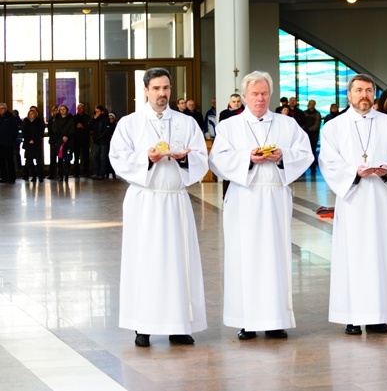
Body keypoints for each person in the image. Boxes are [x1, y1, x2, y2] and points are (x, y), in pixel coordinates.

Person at [108, 67, 209, 347]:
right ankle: (144, 326)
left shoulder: (186, 122)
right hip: (146, 200)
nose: (162, 94)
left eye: (166, 88)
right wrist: (148, 158)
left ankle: (179, 325)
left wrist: (184, 159)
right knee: (145, 262)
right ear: (146, 90)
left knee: (179, 261)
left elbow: (200, 156)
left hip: (175, 200)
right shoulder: (130, 123)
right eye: (156, 89)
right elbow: (118, 157)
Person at [209, 71, 313, 340]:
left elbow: (305, 153)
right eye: (254, 94)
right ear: (244, 97)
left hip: (275, 197)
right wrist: (247, 158)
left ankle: (275, 319)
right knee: (244, 258)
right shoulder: (229, 126)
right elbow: (216, 160)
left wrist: (282, 156)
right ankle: (247, 320)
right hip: (244, 198)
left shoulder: (287, 124)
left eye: (264, 93)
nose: (260, 98)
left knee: (275, 257)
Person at [319, 73, 387, 335]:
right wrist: (353, 173)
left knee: (381, 254)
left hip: (382, 198)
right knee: (352, 255)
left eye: (369, 90)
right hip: (353, 201)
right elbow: (328, 161)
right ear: (349, 95)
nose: (364, 95)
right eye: (358, 90)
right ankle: (352, 315)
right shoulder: (335, 126)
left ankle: (378, 315)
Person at [21, 108, 45, 182]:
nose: (31, 115)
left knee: (38, 161)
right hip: (28, 144)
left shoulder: (39, 121)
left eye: (33, 114)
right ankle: (33, 176)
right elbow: (24, 132)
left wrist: (34, 140)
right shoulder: (26, 121)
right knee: (30, 161)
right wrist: (29, 140)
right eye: (30, 114)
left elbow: (41, 132)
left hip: (36, 143)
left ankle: (40, 176)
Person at [53, 105, 75, 181]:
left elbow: (72, 129)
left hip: (69, 141)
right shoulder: (57, 119)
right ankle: (60, 175)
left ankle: (66, 175)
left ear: (67, 110)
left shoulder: (71, 119)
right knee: (60, 159)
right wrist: (62, 136)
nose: (62, 111)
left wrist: (67, 136)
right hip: (60, 141)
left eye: (64, 109)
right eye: (61, 109)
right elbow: (55, 129)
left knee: (67, 159)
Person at [88, 105, 110, 180]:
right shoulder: (94, 118)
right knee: (95, 157)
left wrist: (100, 136)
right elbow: (88, 127)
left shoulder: (105, 118)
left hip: (103, 141)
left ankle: (102, 174)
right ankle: (96, 173)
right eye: (96, 111)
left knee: (103, 157)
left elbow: (106, 131)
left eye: (98, 111)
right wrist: (94, 119)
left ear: (102, 111)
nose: (97, 113)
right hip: (96, 141)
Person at [0, 103, 18, 183]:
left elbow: (15, 130)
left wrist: (11, 139)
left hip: (8, 143)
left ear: (6, 109)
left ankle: (12, 177)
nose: (1, 110)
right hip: (0, 143)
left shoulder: (10, 117)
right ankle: (4, 177)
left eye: (2, 108)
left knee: (10, 161)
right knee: (1, 161)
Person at [303, 99, 322, 173]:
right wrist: (304, 129)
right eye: (309, 103)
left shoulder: (317, 114)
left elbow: (317, 125)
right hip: (305, 135)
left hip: (313, 135)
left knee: (313, 151)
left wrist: (309, 129)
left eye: (312, 104)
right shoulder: (304, 113)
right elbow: (302, 122)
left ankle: (313, 167)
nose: (310, 105)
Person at [72, 103, 91, 177]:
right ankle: (76, 172)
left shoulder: (87, 117)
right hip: (76, 139)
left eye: (81, 108)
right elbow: (72, 128)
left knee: (86, 156)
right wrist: (76, 126)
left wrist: (83, 126)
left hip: (85, 139)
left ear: (83, 109)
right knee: (76, 156)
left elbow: (89, 127)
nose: (79, 109)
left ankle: (86, 172)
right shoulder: (74, 117)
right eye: (78, 108)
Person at [47, 105, 59, 180]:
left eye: (57, 110)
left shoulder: (61, 119)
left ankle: (60, 173)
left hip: (59, 140)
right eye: (55, 110)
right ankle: (52, 174)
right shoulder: (51, 119)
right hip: (53, 140)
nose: (56, 112)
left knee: (60, 157)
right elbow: (50, 130)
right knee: (52, 158)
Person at [106, 113, 117, 179]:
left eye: (112, 118)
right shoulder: (106, 125)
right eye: (109, 118)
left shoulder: (116, 125)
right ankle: (106, 173)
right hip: (107, 142)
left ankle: (113, 173)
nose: (110, 120)